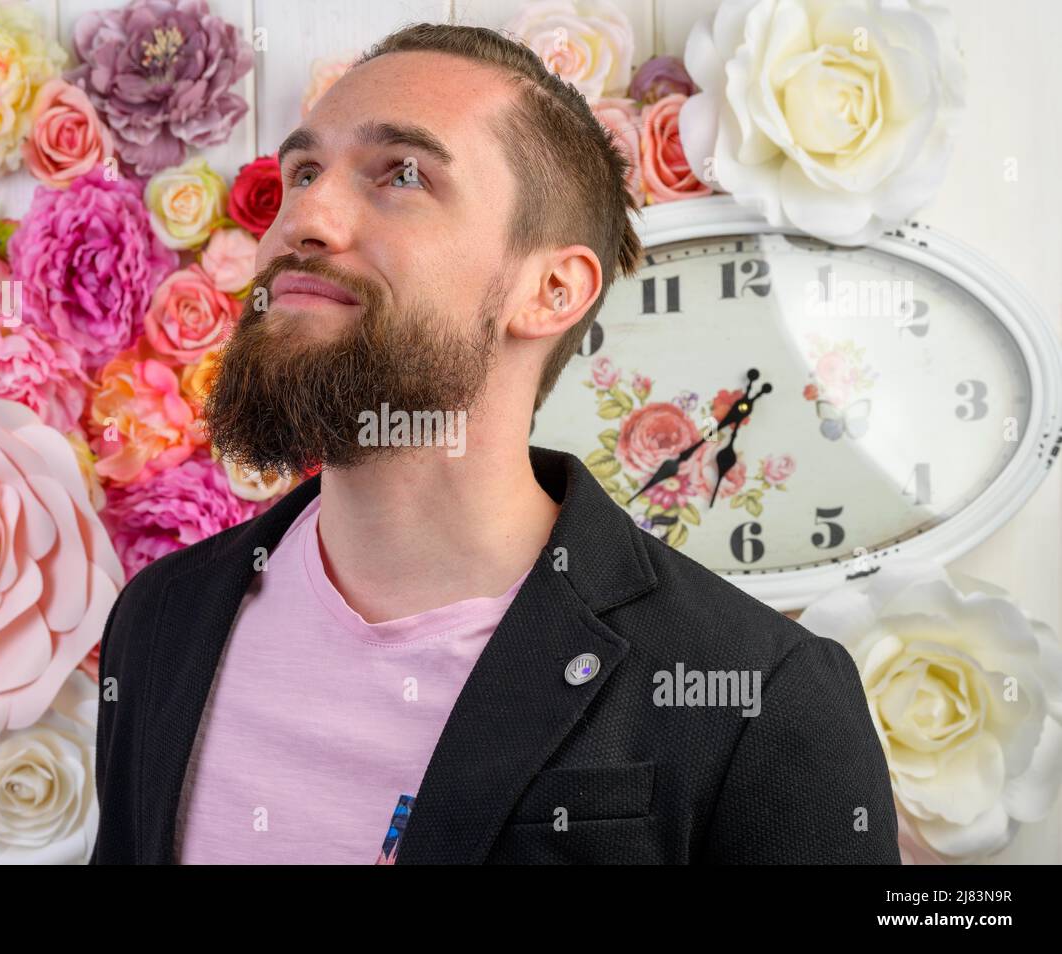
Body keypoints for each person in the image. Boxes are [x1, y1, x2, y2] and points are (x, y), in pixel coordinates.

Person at [90, 22, 899, 864]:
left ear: (550, 290)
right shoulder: (160, 620)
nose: (306, 218)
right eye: (303, 172)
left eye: (403, 173)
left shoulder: (763, 700)